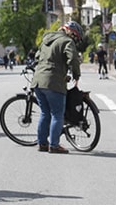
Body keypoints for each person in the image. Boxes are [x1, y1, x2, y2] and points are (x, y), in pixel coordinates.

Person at [30, 20, 82, 153]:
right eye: (75, 37)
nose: (74, 40)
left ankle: (42, 144)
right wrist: (76, 74)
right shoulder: (67, 41)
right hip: (53, 82)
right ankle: (54, 145)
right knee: (57, 114)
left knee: (44, 113)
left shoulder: (46, 39)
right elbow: (73, 59)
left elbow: (36, 58)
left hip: (38, 81)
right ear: (71, 32)